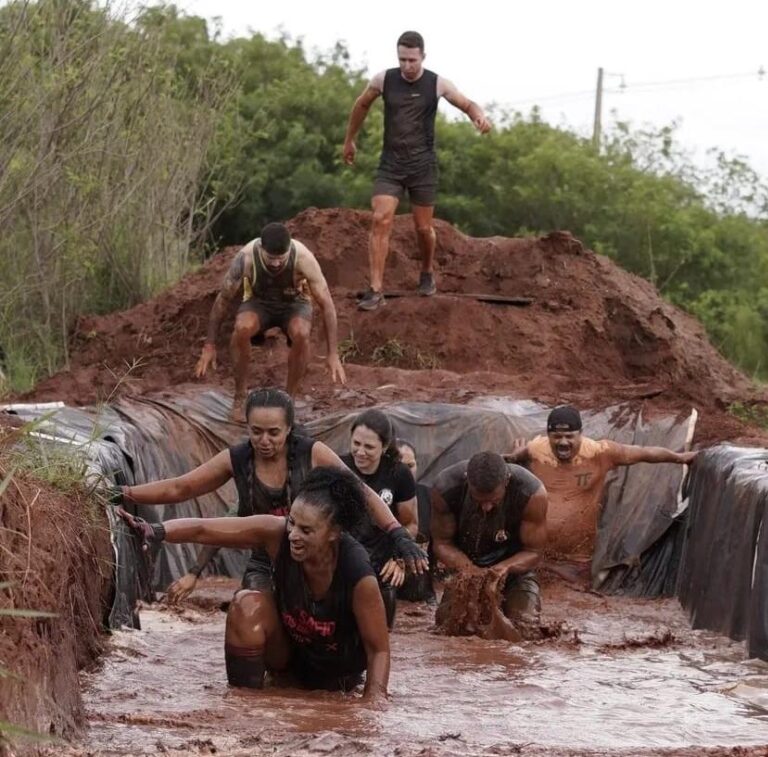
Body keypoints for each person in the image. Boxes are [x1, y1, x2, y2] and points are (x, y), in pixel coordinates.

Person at [109, 388, 425, 602]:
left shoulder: (313, 453)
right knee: (249, 608)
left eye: (273, 432)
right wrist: (124, 492)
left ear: (289, 429)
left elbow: (362, 492)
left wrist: (398, 534)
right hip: (268, 560)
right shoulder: (237, 458)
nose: (264, 440)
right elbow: (181, 488)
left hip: (319, 559)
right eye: (256, 431)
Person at [118, 467, 390, 698]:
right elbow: (206, 529)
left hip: (337, 681)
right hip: (288, 664)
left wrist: (371, 707)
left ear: (334, 533)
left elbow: (378, 650)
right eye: (292, 523)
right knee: (246, 604)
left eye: (306, 530)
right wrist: (156, 530)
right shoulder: (276, 533)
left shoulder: (358, 574)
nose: (293, 535)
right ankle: (244, 700)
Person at [342, 30, 492, 311]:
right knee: (380, 218)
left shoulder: (437, 84)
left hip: (423, 166)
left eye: (412, 60)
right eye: (402, 60)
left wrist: (479, 117)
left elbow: (467, 104)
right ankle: (375, 290)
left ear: (423, 56)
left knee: (423, 228)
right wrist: (350, 139)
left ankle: (426, 272)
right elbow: (361, 104)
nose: (407, 66)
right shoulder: (384, 80)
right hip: (391, 164)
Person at [193, 222, 346, 421]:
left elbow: (327, 304)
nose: (275, 263)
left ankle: (289, 400)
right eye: (270, 258)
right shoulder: (246, 258)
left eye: (280, 258)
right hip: (260, 303)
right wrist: (209, 345)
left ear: (288, 249)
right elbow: (223, 300)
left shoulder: (303, 258)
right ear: (261, 249)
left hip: (294, 303)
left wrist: (332, 354)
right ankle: (240, 396)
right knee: (241, 328)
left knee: (301, 333)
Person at [505, 405, 698, 559]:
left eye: (569, 436)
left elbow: (644, 452)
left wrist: (680, 458)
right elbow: (509, 461)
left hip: (576, 559)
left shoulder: (600, 452)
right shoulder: (535, 450)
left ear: (580, 434)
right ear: (549, 436)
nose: (563, 442)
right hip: (535, 553)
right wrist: (514, 457)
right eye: (557, 437)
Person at [430, 451, 547, 625]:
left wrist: (502, 569)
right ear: (467, 480)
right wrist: (470, 570)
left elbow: (534, 551)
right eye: (478, 500)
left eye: (493, 500)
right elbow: (442, 544)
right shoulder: (446, 488)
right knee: (449, 625)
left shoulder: (532, 493)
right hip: (465, 568)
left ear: (506, 481)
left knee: (526, 625)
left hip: (515, 572)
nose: (485, 507)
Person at [341, 409, 419, 625]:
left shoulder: (400, 474)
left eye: (369, 447)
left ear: (384, 447)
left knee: (381, 638)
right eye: (356, 443)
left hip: (381, 566)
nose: (360, 452)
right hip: (342, 562)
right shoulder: (338, 467)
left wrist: (399, 558)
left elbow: (410, 524)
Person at [396, 439, 435, 602]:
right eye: (400, 466)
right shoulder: (375, 498)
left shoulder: (430, 497)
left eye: (410, 466)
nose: (406, 472)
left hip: (421, 589)